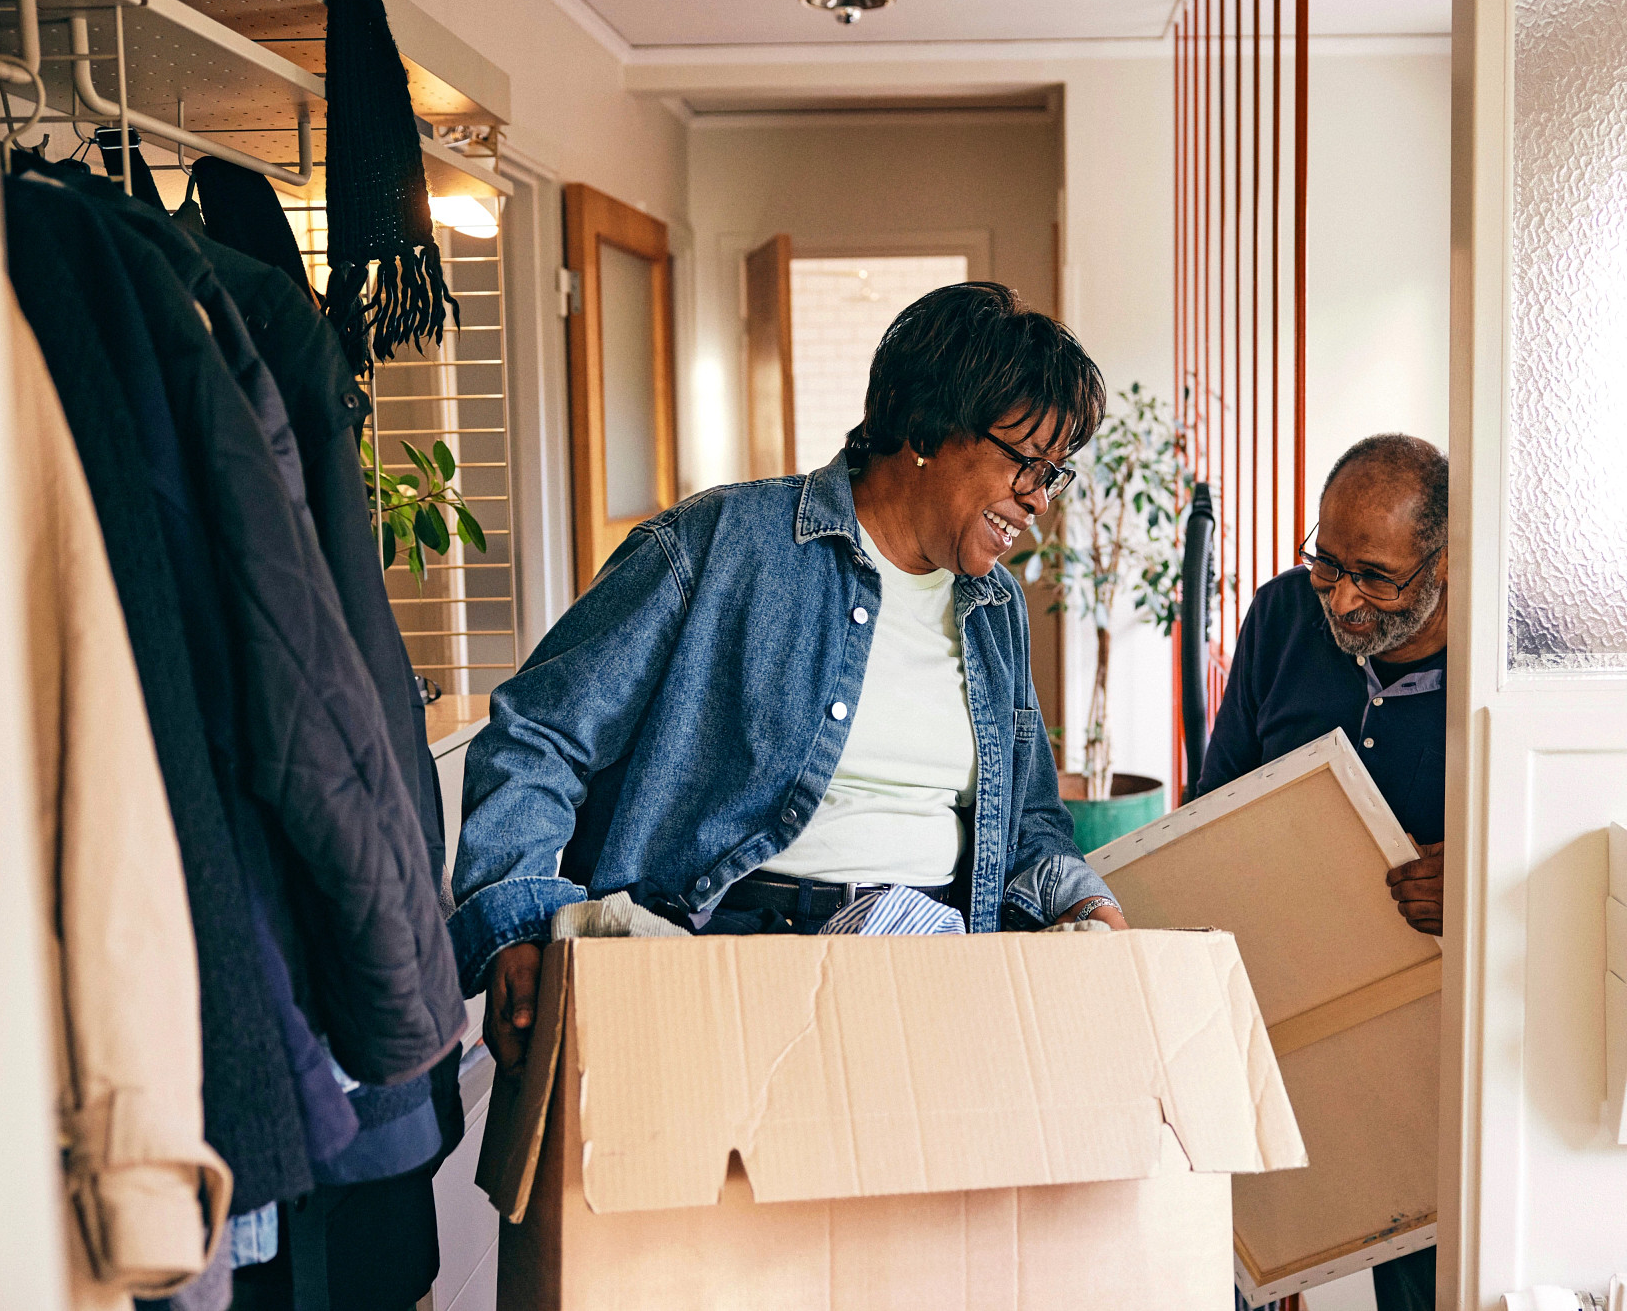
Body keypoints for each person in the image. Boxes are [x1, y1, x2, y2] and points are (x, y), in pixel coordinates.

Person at [449, 282, 1129, 1075]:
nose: (1038, 501)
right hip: (716, 968)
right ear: (926, 425)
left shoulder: (995, 608)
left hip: (930, 982)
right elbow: (540, 732)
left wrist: (1083, 898)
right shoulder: (721, 543)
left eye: (1056, 474)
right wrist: (520, 916)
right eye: (1025, 462)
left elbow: (1029, 824)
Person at [1197, 432, 1447, 1311]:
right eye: (1325, 563)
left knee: (1420, 1247)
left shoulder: (1511, 653)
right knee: (1237, 1245)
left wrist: (1479, 877)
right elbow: (1215, 806)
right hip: (1278, 987)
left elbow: (1559, 851)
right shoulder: (1280, 618)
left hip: (1427, 1035)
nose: (1342, 598)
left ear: (1445, 562)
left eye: (1376, 576)